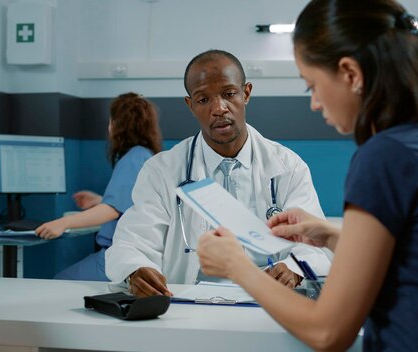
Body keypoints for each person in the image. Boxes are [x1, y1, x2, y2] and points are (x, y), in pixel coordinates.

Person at [196, 1, 418, 351]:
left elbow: (327, 332)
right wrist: (332, 236)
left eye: (312, 85)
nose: (314, 103)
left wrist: (237, 267)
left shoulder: (386, 154)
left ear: (351, 74)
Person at [106, 49, 330, 297]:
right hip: (190, 306)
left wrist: (292, 267)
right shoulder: (162, 171)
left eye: (229, 94)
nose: (219, 108)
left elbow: (315, 246)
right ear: (190, 105)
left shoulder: (288, 166)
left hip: (268, 300)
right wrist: (136, 268)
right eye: (203, 100)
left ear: (246, 93)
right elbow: (132, 241)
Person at [36, 92, 162, 281]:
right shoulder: (146, 155)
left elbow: (111, 211)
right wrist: (99, 200)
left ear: (117, 125)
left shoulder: (133, 158)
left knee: (60, 282)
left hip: (120, 257)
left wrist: (62, 223)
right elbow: (135, 205)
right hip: (138, 256)